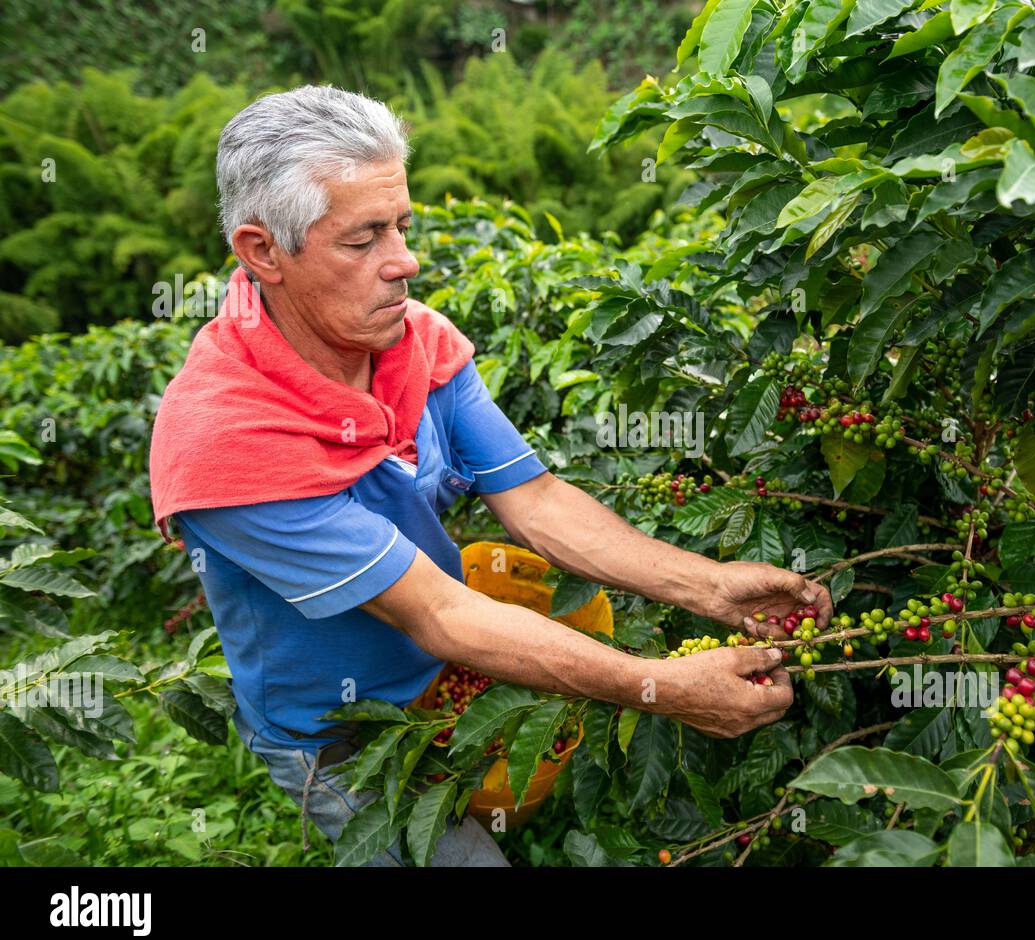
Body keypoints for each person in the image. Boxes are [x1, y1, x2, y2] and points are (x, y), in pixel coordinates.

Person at [148, 85, 832, 867]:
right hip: (339, 736)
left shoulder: (415, 344)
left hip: (449, 682)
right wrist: (663, 688)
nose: (404, 262)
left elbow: (535, 501)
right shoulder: (226, 441)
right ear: (263, 251)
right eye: (363, 239)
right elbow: (437, 612)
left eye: (402, 226)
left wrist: (709, 585)